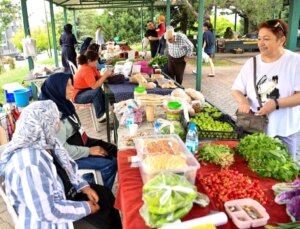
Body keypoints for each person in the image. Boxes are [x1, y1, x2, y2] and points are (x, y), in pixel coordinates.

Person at [0, 101, 122, 229]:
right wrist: (85, 208)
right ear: (43, 125)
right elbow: (47, 212)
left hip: (64, 195)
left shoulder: (48, 143)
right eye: (55, 120)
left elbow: (69, 170)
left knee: (105, 195)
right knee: (102, 222)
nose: (58, 124)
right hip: (51, 222)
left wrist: (83, 186)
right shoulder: (30, 165)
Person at [231, 19, 300, 159]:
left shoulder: (295, 62)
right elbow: (236, 89)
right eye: (259, 38)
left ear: (282, 40)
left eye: (266, 39)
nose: (261, 43)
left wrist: (275, 104)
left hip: (285, 131)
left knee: (284, 174)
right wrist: (243, 101)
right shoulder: (252, 63)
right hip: (254, 130)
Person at [38, 72, 117, 190]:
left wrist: (93, 145)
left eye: (72, 84)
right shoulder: (53, 116)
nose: (72, 88)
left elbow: (78, 130)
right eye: (67, 86)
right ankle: (96, 194)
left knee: (114, 150)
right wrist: (89, 151)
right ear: (57, 89)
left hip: (80, 142)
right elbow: (62, 150)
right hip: (66, 158)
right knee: (109, 164)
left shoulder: (64, 104)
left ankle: (91, 182)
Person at [73, 51, 112, 121]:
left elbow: (99, 77)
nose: (97, 61)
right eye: (96, 60)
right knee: (96, 92)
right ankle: (100, 115)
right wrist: (106, 75)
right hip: (78, 95)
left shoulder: (92, 66)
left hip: (85, 90)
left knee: (102, 91)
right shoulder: (85, 69)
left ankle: (105, 113)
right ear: (89, 61)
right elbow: (94, 86)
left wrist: (108, 75)